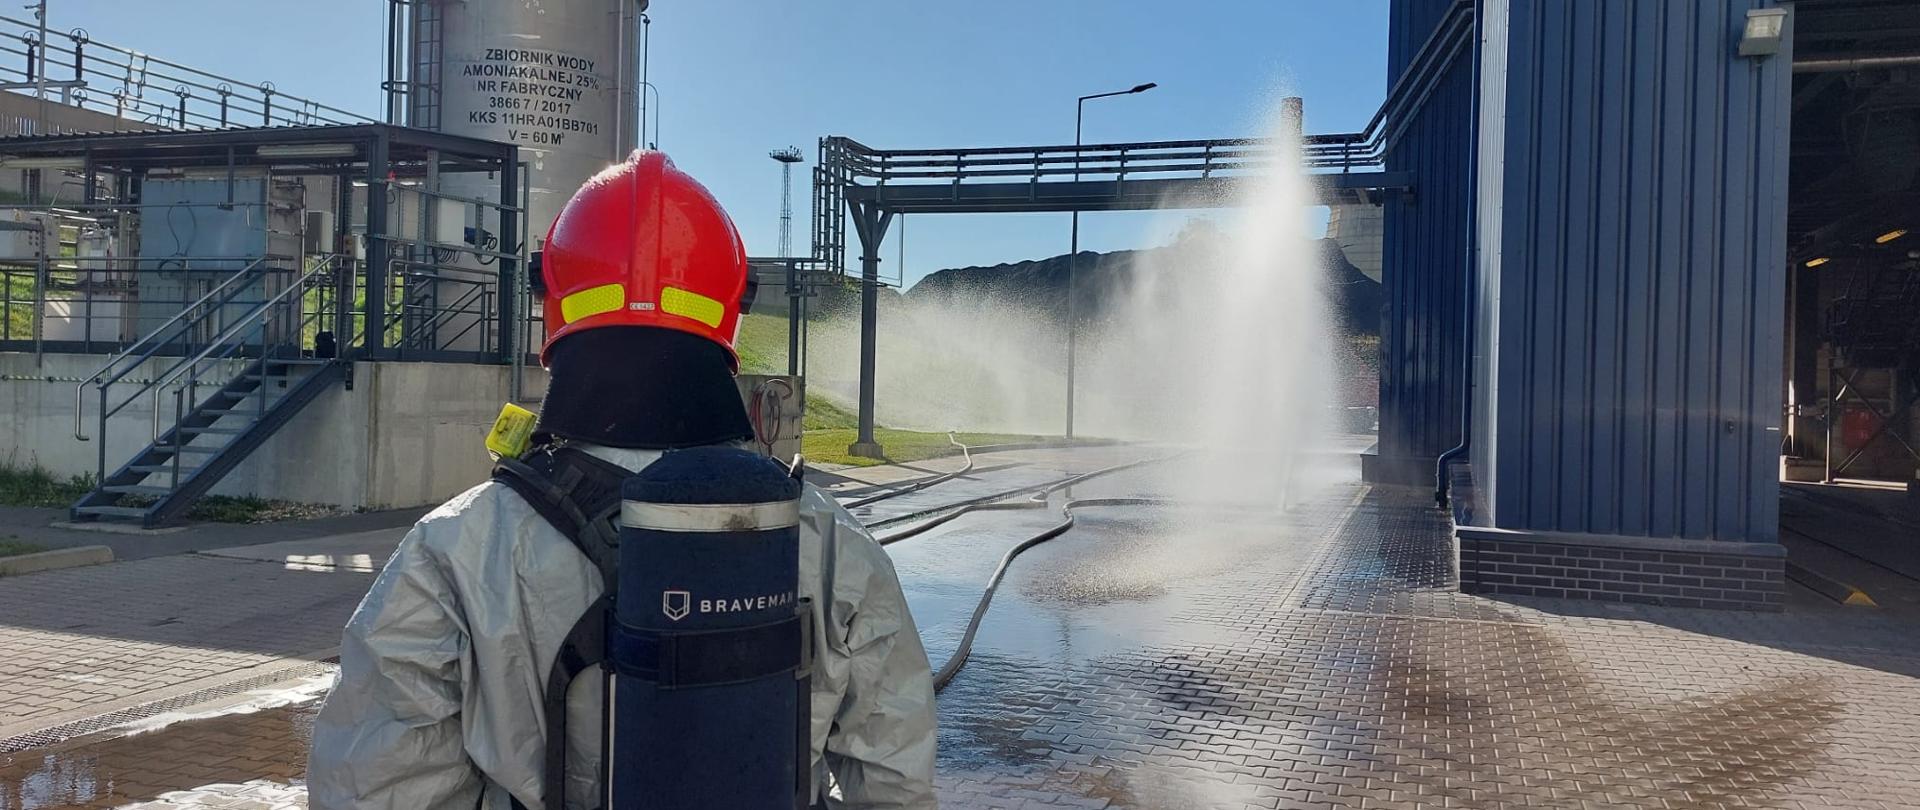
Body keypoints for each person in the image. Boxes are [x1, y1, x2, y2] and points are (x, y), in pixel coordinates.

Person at [307, 151, 939, 810]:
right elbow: (895, 780)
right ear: (730, 307)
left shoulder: (456, 548)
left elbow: (373, 789)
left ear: (551, 298)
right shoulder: (830, 541)